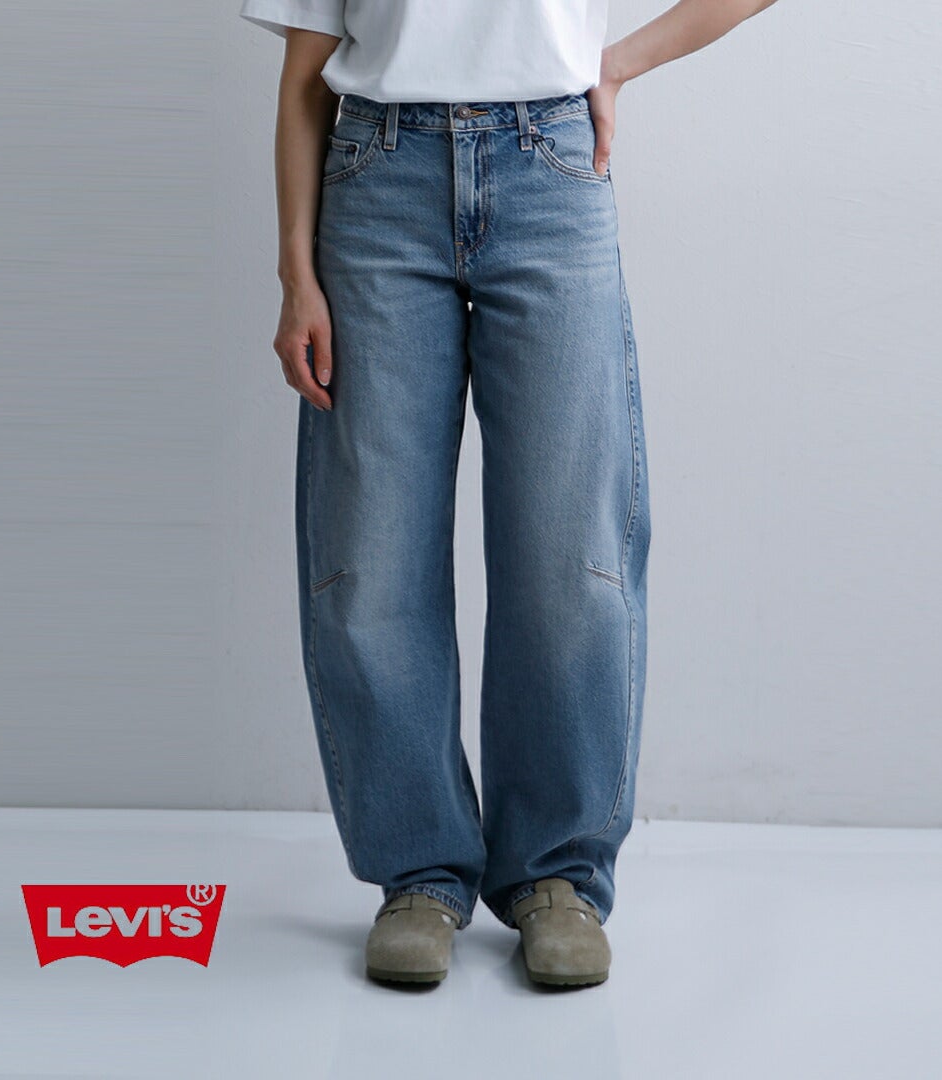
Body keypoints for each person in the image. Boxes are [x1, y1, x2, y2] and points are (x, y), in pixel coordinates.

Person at [239, 0, 779, 988]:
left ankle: (556, 876)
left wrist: (618, 63)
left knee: (572, 557)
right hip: (376, 181)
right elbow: (304, 79)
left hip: (552, 172)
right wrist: (295, 275)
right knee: (370, 556)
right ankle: (418, 873)